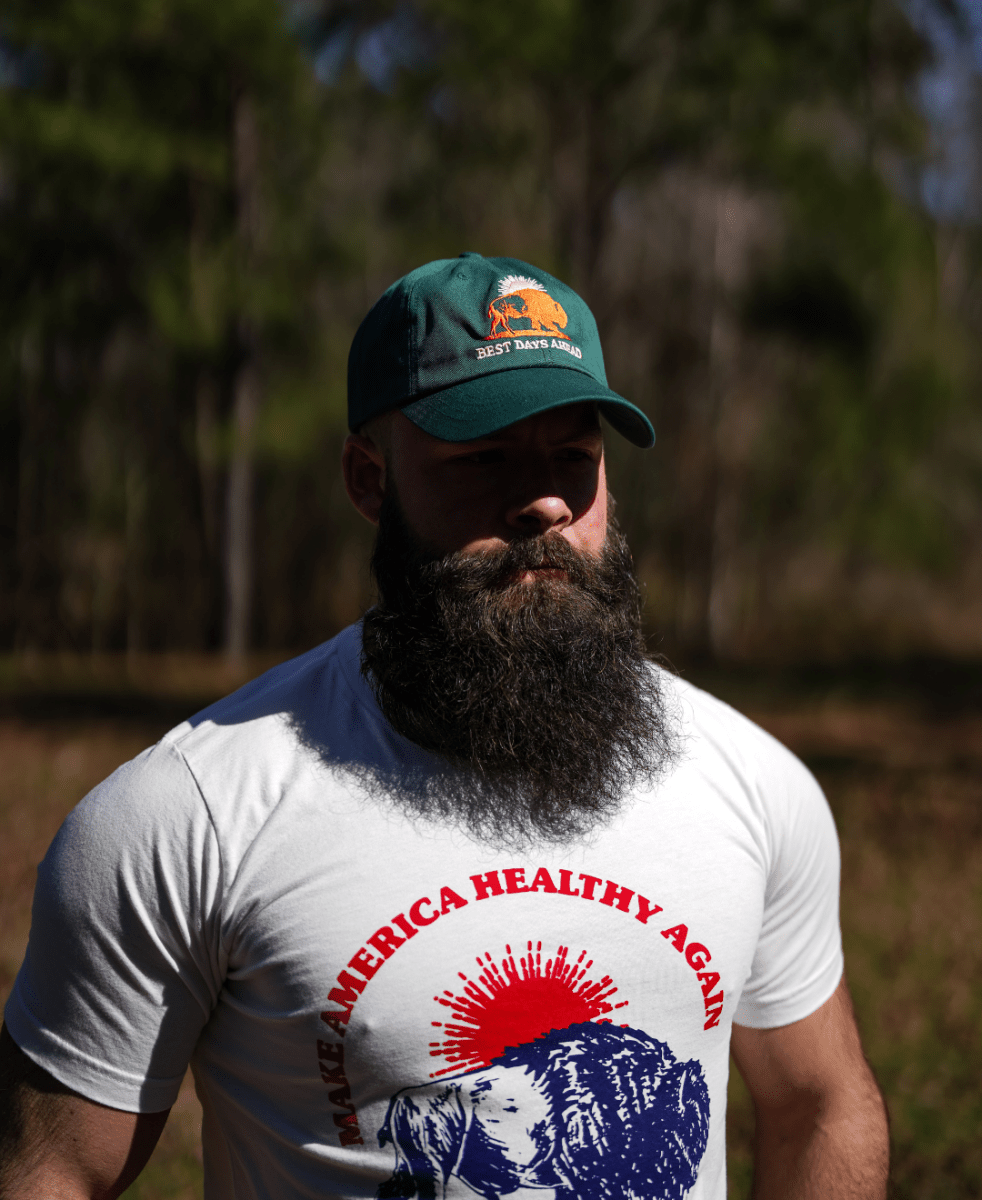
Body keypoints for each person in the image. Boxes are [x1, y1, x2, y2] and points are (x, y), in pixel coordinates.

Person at [0, 253, 888, 1199]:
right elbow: (51, 1173)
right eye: (484, 457)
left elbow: (821, 1104)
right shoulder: (186, 817)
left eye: (574, 457)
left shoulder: (752, 785)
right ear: (369, 480)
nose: (546, 500)